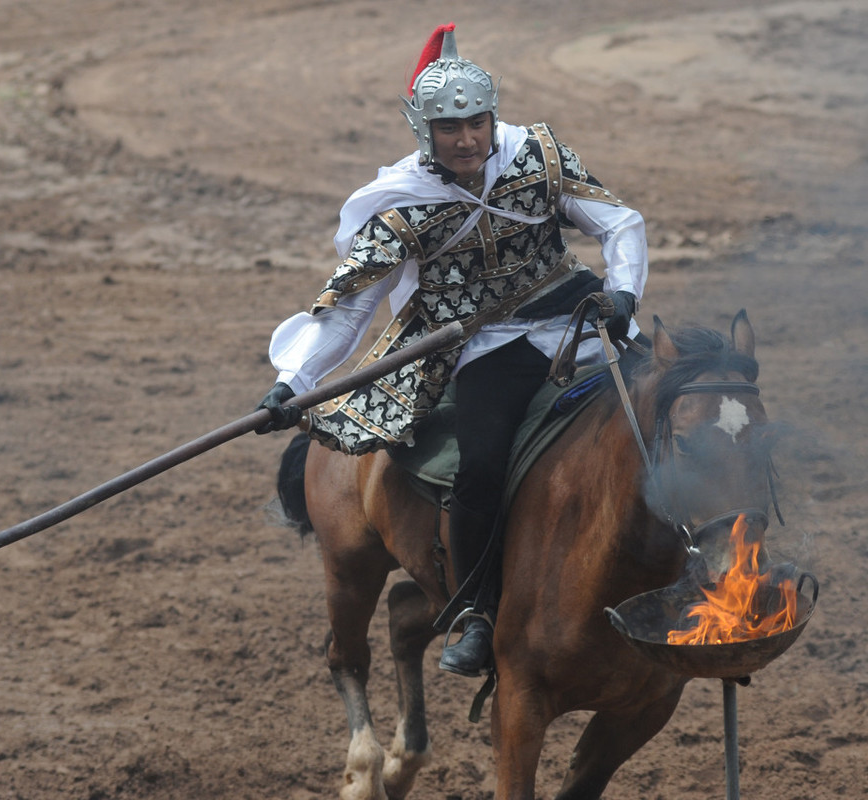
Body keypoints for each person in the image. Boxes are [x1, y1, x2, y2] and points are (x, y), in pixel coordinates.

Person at [255, 23, 648, 678]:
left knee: (678, 405)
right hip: (488, 344)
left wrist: (625, 293)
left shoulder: (537, 156)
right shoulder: (400, 205)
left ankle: (702, 558)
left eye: (477, 122)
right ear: (423, 130)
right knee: (482, 465)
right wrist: (292, 382)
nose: (467, 138)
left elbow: (619, 222)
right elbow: (349, 306)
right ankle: (476, 612)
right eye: (449, 127)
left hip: (577, 311)